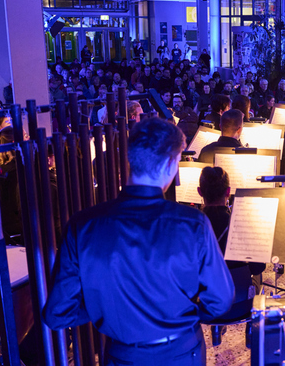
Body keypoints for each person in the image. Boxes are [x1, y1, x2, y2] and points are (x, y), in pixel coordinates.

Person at [43, 117, 234, 365]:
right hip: (182, 352)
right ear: (169, 164)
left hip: (121, 355)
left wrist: (106, 305)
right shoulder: (193, 224)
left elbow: (57, 315)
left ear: (131, 160)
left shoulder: (82, 225)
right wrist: (186, 313)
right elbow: (220, 302)